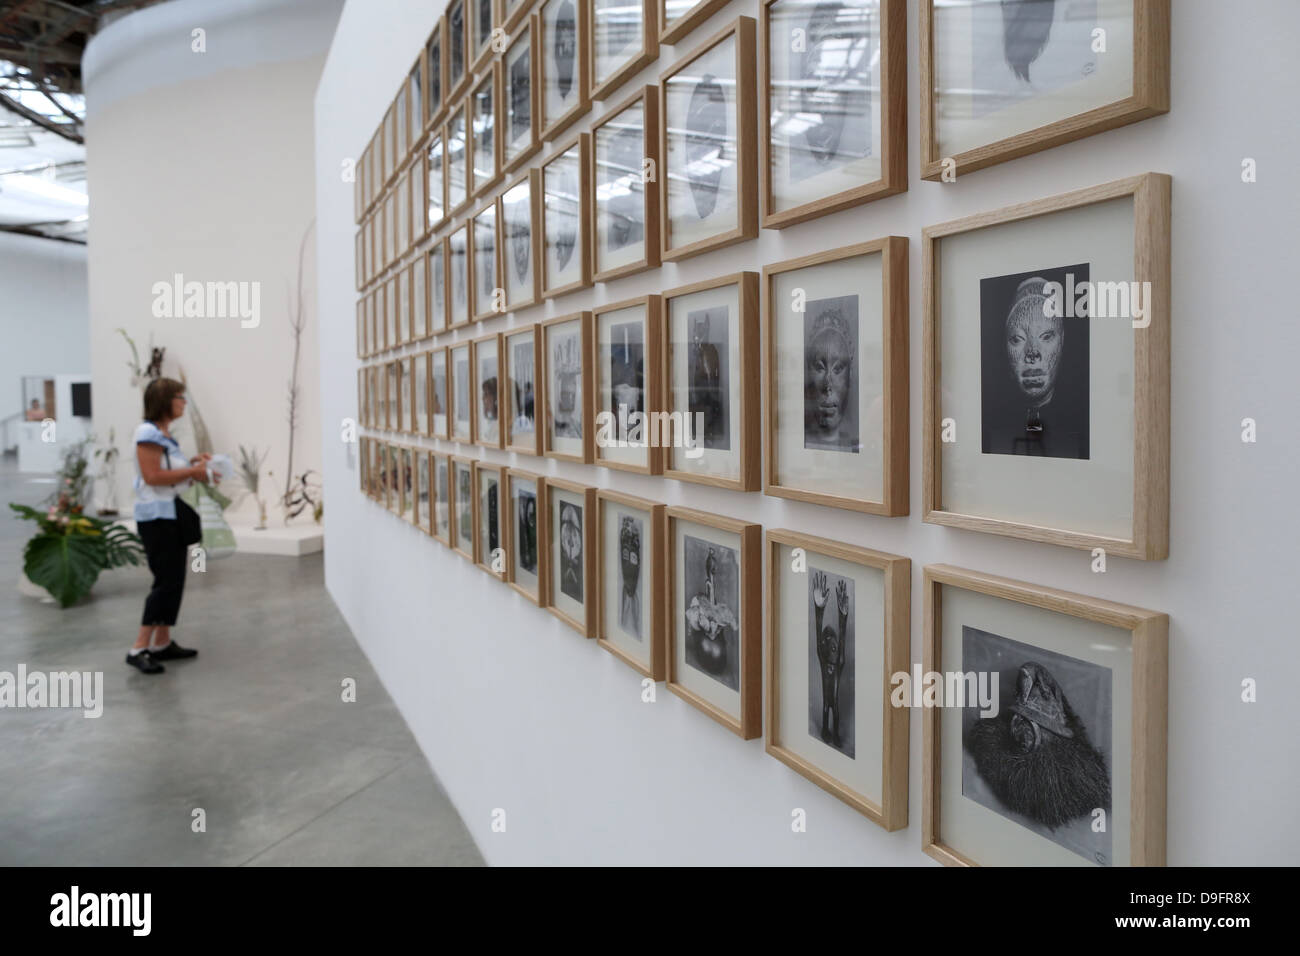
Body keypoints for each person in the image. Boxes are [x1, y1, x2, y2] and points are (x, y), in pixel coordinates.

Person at [127, 377, 216, 675]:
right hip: (156, 517)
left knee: (175, 579)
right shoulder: (147, 433)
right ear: (166, 400)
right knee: (165, 581)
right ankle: (139, 647)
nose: (183, 402)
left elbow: (167, 471)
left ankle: (161, 643)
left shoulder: (162, 435)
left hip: (169, 514)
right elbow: (152, 476)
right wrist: (192, 470)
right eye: (180, 397)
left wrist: (192, 464)